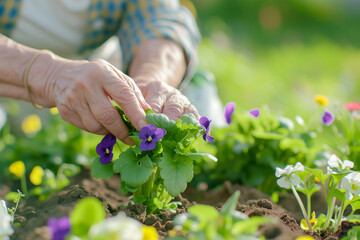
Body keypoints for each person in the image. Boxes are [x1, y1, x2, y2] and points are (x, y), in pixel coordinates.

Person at [0, 0, 201, 145]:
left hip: (92, 93)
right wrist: (51, 75)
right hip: (11, 81)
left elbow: (159, 20)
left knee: (201, 103)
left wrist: (148, 85)